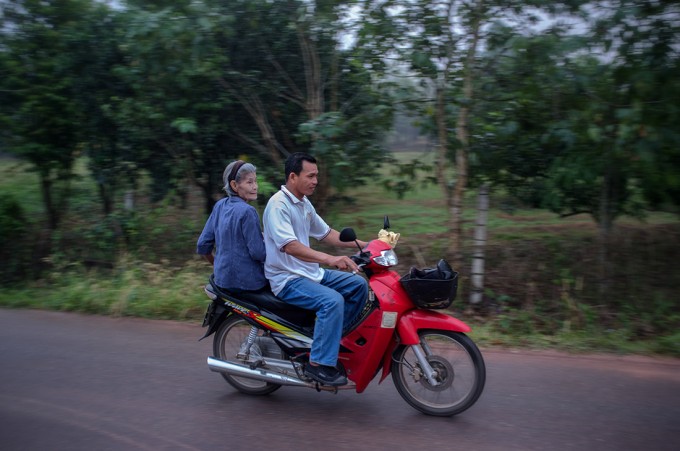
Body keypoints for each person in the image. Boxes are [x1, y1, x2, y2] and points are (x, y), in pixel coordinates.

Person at [263, 152, 368, 386]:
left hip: (309, 273)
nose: (316, 181)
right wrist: (330, 259)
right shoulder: (277, 205)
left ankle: (325, 341)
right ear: (293, 177)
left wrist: (366, 244)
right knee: (332, 301)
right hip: (287, 278)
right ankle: (318, 363)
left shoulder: (303, 203)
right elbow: (290, 246)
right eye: (310, 176)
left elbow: (327, 233)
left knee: (358, 285)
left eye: (316, 176)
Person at [196, 160, 267, 293]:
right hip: (250, 283)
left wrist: (217, 265)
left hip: (222, 280)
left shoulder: (220, 205)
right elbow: (258, 253)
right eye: (250, 182)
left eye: (255, 181)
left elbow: (202, 245)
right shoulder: (248, 211)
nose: (255, 186)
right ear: (234, 185)